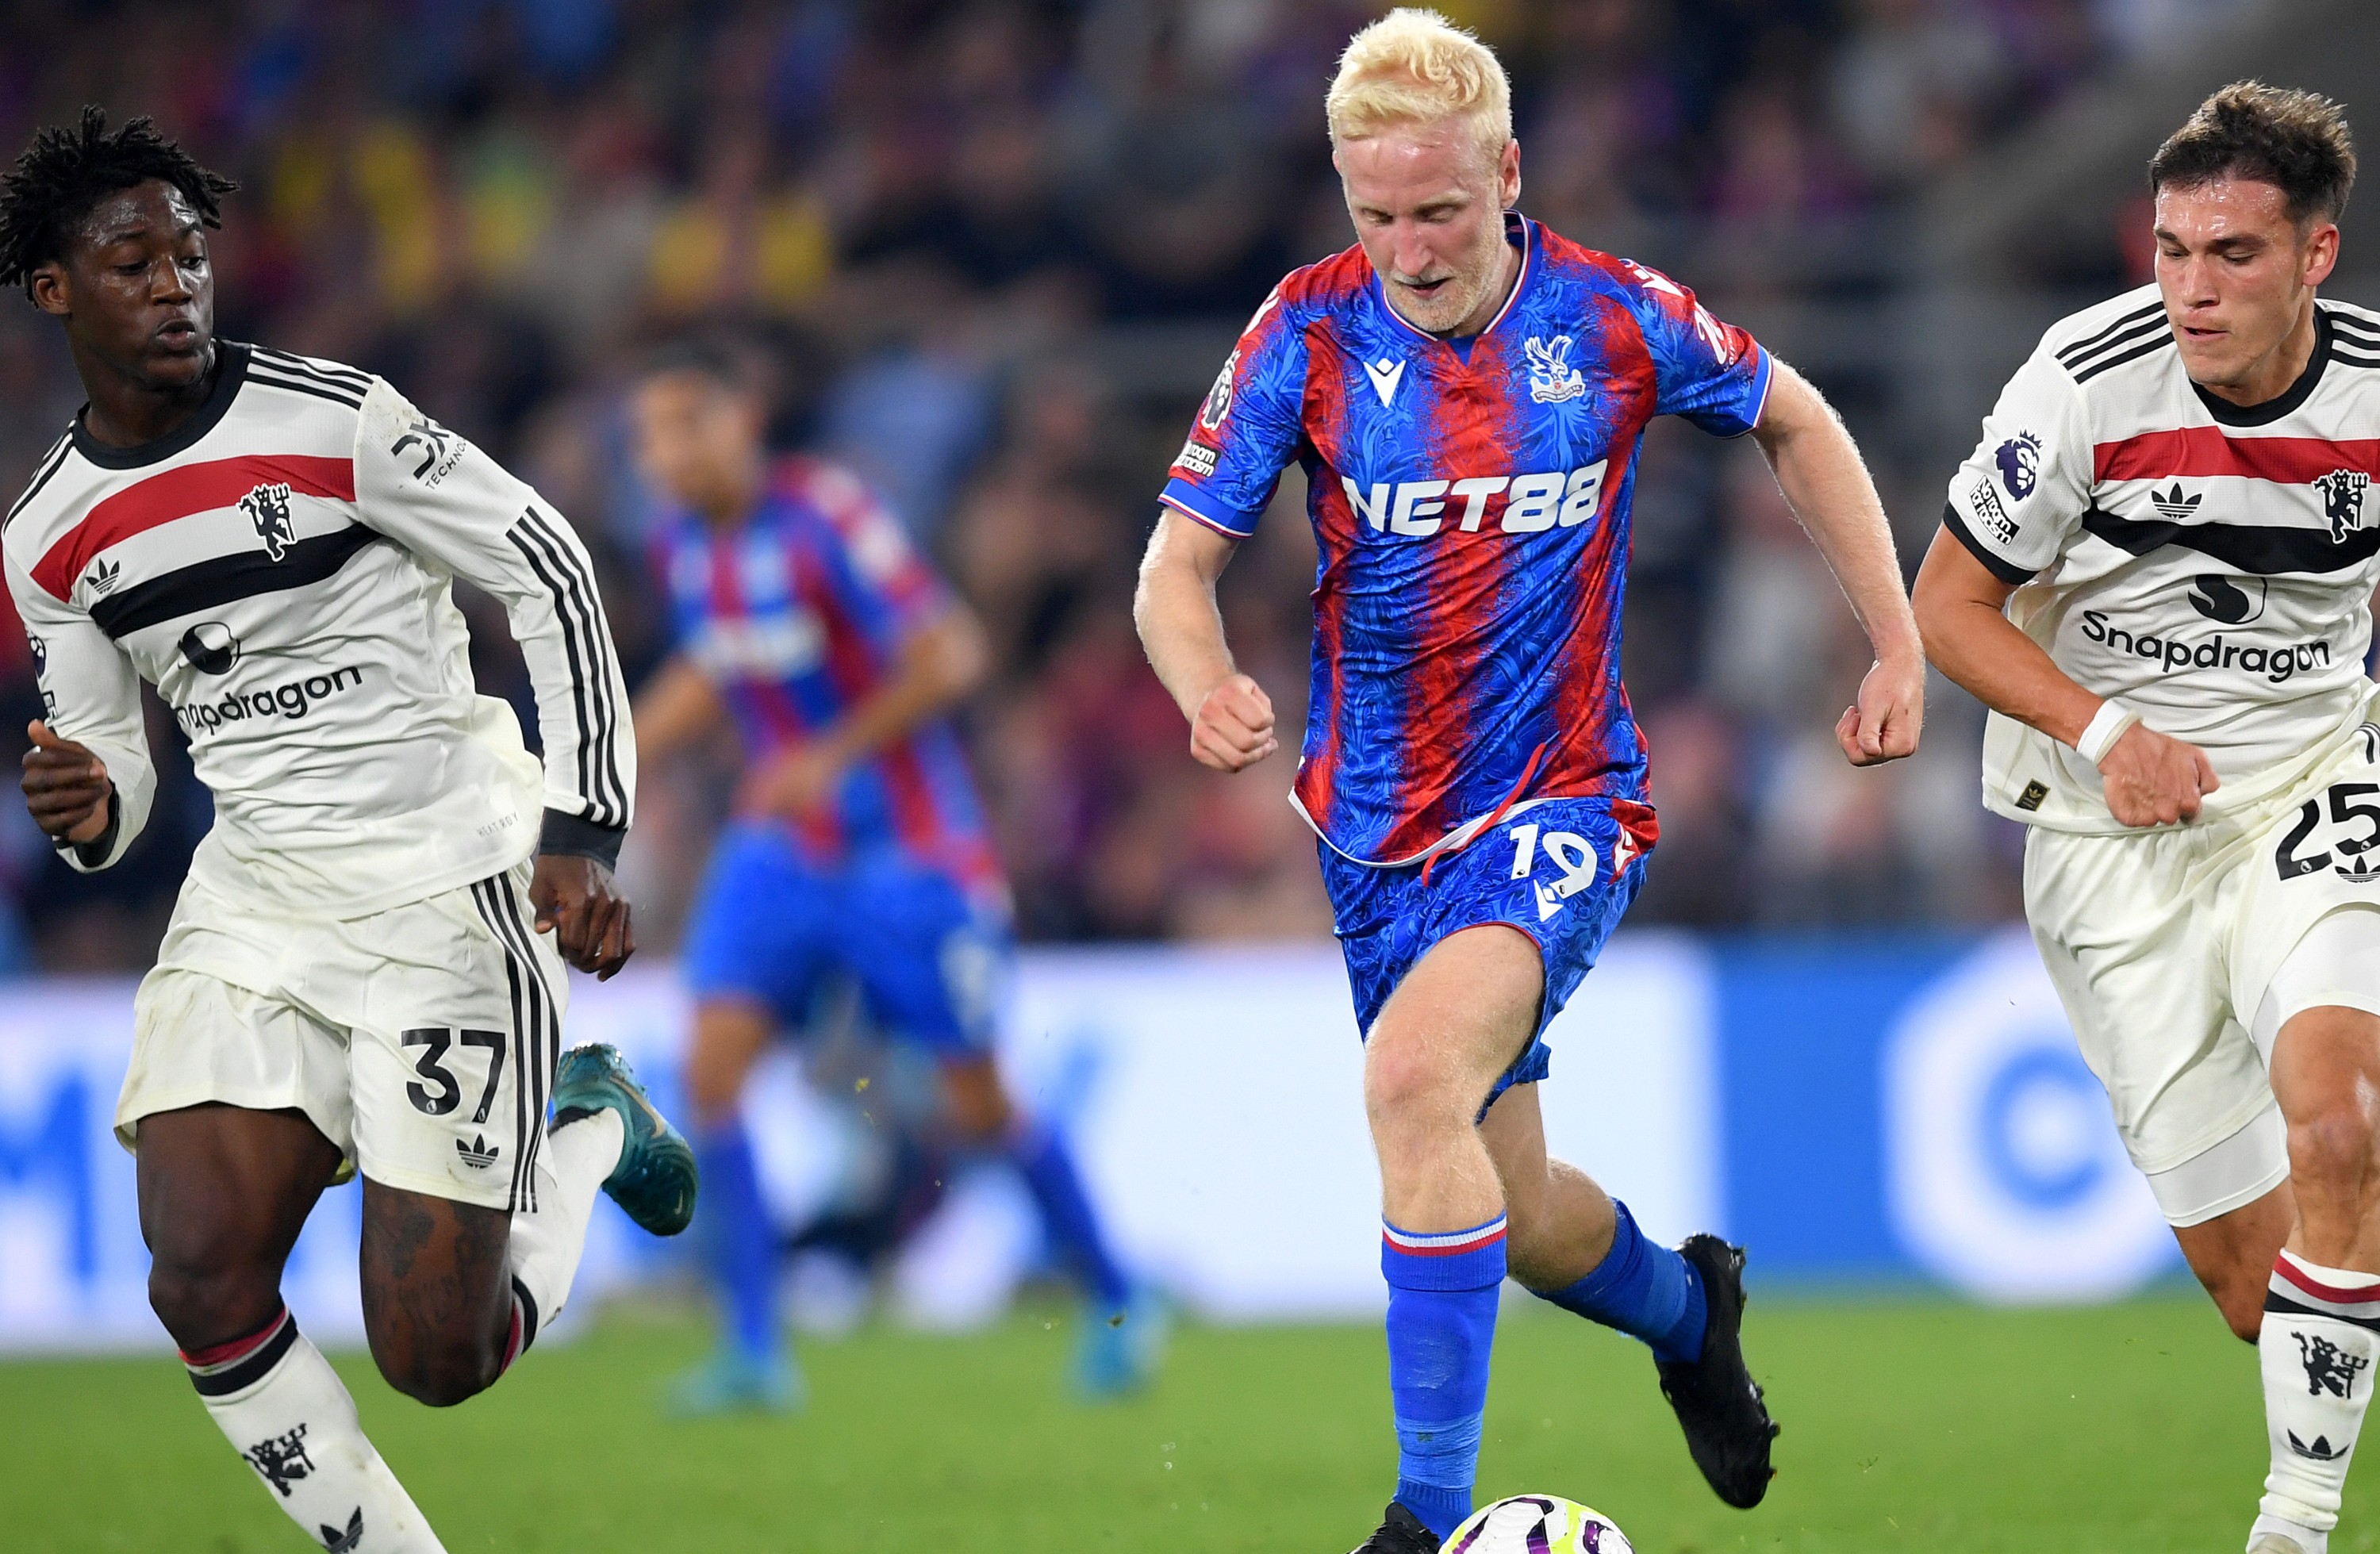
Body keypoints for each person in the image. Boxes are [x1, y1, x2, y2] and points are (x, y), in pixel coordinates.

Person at [1130, 13, 1924, 1551]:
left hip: (1562, 803)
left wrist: (1891, 644)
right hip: (1372, 840)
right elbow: (1174, 568)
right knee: (1521, 1210)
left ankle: (1423, 1525)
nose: (1410, 249)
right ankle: (1689, 1310)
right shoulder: (1302, 332)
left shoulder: (1612, 317)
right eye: (1376, 216)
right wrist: (1202, 679)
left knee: (1410, 1087)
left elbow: (1798, 416)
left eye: (1438, 209)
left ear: (1508, 170)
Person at [0, 109, 697, 1554]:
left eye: (190, 254)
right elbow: (114, 773)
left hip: (447, 884)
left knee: (437, 1358)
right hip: (259, 902)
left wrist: (582, 826)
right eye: (133, 262)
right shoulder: (47, 535)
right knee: (196, 1273)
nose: (177, 284)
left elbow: (549, 568)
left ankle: (583, 1122)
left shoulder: (335, 423)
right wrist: (87, 807)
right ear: (55, 290)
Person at [1912, 83, 2376, 1554]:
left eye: (2233, 254)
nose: (2191, 288)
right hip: (2109, 836)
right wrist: (2107, 731)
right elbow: (1949, 606)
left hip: (2308, 788)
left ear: (2316, 257)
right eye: (2171, 249)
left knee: (2345, 1114)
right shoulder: (2086, 385)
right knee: (2263, 1286)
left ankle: (2294, 1527)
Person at [628, 340, 1158, 1412]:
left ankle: (1116, 1296)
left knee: (977, 1099)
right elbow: (715, 667)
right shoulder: (688, 549)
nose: (672, 454)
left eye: (692, 424)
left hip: (907, 853)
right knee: (713, 1069)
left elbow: (950, 651)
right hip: (784, 851)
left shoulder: (827, 516)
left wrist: (830, 755)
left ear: (746, 418)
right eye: (653, 437)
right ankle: (753, 1349)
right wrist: (614, 756)